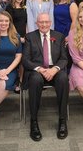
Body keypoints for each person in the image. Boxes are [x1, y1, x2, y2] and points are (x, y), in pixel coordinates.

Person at [23, 13, 69, 141]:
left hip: (54, 69)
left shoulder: (59, 36)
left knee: (63, 78)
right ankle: (34, 122)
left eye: (46, 22)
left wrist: (54, 69)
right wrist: (40, 69)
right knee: (36, 80)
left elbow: (64, 59)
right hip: (37, 71)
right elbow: (25, 60)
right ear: (37, 23)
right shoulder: (30, 37)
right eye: (41, 22)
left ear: (50, 23)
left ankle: (62, 120)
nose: (44, 25)